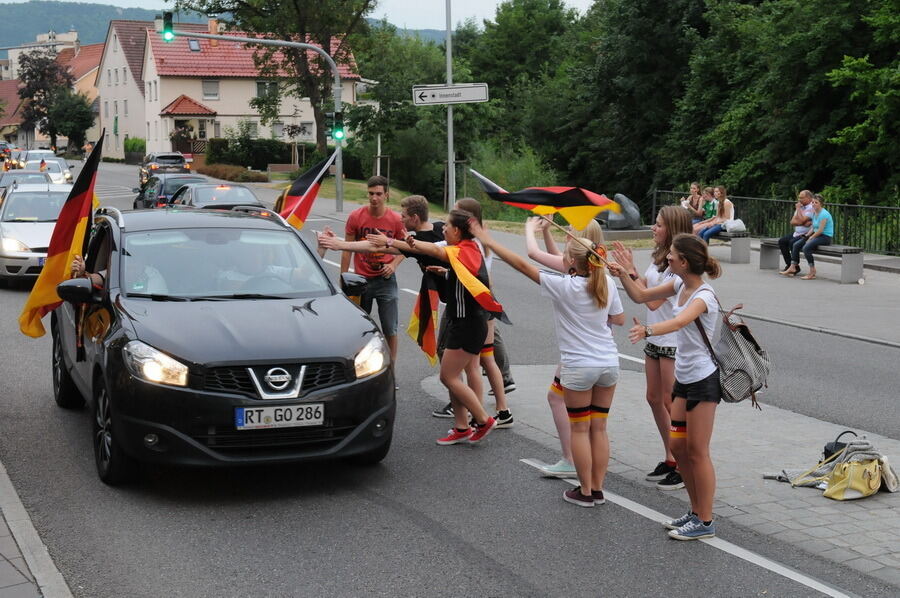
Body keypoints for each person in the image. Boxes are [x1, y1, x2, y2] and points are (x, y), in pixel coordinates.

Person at [471, 216, 624, 506]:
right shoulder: (606, 282)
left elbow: (521, 264)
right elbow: (618, 318)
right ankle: (599, 488)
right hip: (609, 363)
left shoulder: (565, 286)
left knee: (579, 428)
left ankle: (585, 491)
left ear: (571, 262)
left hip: (579, 366)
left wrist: (505, 236)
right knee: (599, 428)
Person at [610, 233, 722, 540]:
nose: (666, 258)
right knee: (678, 447)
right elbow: (642, 297)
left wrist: (648, 329)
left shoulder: (703, 296)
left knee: (697, 451)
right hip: (684, 379)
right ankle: (695, 510)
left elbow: (677, 323)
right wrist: (623, 275)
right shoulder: (678, 285)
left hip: (703, 380)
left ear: (684, 262)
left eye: (672, 255)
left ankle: (706, 520)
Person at [387, 208, 500, 444]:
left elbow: (437, 250)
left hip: (468, 325)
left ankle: (482, 419)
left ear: (458, 231)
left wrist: (392, 241)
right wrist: (447, 274)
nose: (444, 228)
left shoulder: (462, 249)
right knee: (456, 375)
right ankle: (462, 428)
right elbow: (466, 278)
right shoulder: (466, 250)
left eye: (447, 226)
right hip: (465, 322)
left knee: (448, 377)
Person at [611, 205, 694, 490]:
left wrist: (628, 274)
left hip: (670, 341)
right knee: (653, 398)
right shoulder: (660, 257)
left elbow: (652, 301)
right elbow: (647, 285)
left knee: (672, 403)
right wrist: (632, 269)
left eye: (658, 224)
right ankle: (671, 457)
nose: (653, 228)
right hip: (654, 339)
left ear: (671, 228)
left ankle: (684, 466)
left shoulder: (680, 263)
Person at [525, 217, 606, 478]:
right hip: (597, 353)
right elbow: (562, 261)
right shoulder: (595, 267)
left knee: (562, 402)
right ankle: (585, 463)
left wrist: (530, 230)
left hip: (579, 353)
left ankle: (572, 458)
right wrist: (548, 232)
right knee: (592, 417)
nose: (567, 234)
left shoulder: (576, 267)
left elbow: (536, 256)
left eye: (570, 231)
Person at [341, 175, 407, 364]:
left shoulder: (395, 220)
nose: (374, 198)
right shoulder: (356, 216)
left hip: (386, 280)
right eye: (371, 193)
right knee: (360, 326)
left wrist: (393, 265)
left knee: (390, 328)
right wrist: (344, 279)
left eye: (378, 194)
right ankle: (359, 365)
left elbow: (408, 248)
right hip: (361, 280)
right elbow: (346, 248)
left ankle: (391, 369)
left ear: (386, 195)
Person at [783, 194, 833, 280]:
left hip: (825, 237)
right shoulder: (814, 212)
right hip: (816, 235)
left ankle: (812, 271)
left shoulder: (824, 214)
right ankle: (792, 267)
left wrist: (810, 238)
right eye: (813, 202)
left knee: (806, 248)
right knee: (796, 244)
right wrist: (806, 236)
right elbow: (813, 227)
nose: (813, 204)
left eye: (816, 202)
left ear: (821, 204)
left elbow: (820, 230)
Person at [777, 190, 815, 276]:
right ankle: (790, 265)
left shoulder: (811, 207)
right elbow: (792, 222)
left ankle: (795, 266)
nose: (799, 199)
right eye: (799, 197)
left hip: (806, 234)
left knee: (792, 242)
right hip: (797, 232)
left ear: (809, 198)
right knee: (782, 241)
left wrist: (798, 210)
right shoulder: (801, 207)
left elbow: (801, 220)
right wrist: (803, 222)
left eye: (802, 197)